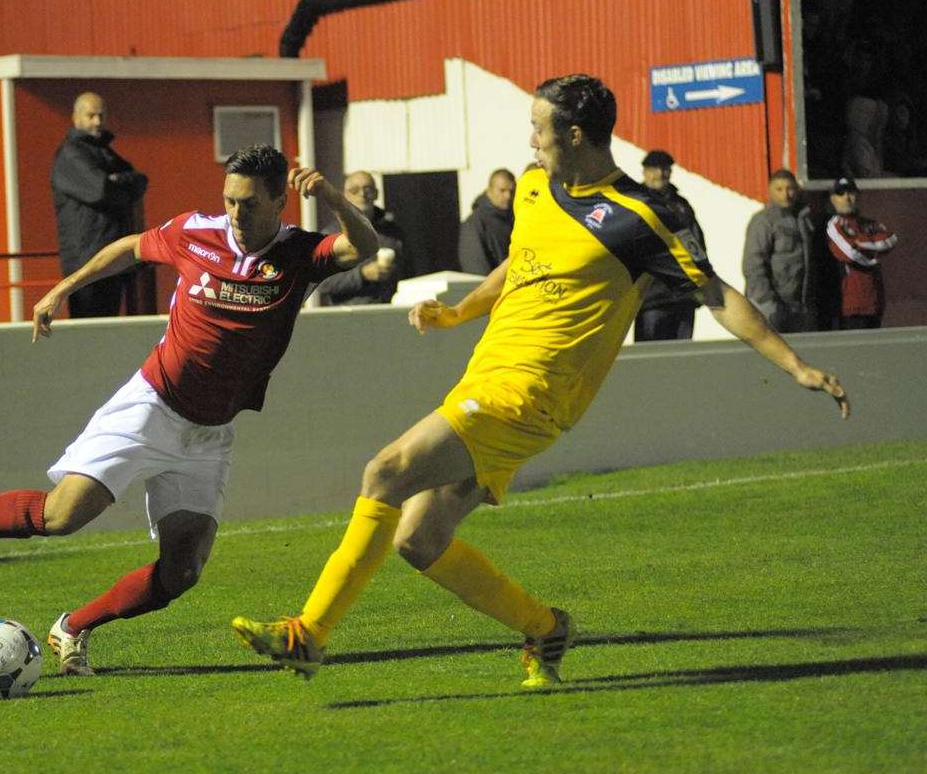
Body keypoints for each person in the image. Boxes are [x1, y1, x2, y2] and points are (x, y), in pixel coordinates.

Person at [232, 74, 849, 689]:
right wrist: (459, 312)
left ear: (575, 133)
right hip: (486, 380)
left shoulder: (645, 214)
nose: (530, 140)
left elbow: (716, 292)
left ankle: (308, 634)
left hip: (533, 397)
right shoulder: (534, 187)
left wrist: (794, 364)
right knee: (419, 540)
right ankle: (546, 627)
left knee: (385, 471)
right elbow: (518, 263)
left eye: (538, 127)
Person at [0, 144, 379, 677]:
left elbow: (364, 246)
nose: (236, 213)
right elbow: (129, 247)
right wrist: (63, 290)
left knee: (183, 570)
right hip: (151, 408)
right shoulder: (196, 232)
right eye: (230, 200)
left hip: (209, 434)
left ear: (280, 201)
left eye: (249, 204)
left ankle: (73, 627)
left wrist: (331, 193)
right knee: (59, 517)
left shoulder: (299, 254)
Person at [51, 92, 149, 318]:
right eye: (91, 115)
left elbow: (140, 180)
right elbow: (101, 191)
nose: (97, 121)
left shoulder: (102, 152)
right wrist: (121, 184)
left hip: (108, 258)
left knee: (108, 326)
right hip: (86, 262)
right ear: (76, 118)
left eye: (101, 115)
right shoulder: (71, 154)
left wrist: (119, 182)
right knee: (89, 330)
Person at [632, 150, 705, 341]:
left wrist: (702, 282)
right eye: (655, 169)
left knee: (682, 359)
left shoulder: (681, 205)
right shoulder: (635, 204)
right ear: (645, 172)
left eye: (665, 169)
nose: (660, 174)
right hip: (651, 298)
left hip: (683, 295)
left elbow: (696, 244)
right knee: (649, 359)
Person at [743, 169, 819, 333]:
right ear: (770, 190)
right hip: (773, 306)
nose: (785, 194)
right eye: (779, 189)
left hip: (801, 307)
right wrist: (766, 301)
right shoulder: (763, 221)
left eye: (789, 189)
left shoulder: (804, 219)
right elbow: (753, 264)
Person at [315, 171, 404, 305]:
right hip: (349, 317)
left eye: (368, 189)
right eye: (354, 190)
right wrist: (362, 275)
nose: (362, 194)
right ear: (345, 195)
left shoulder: (393, 233)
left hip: (388, 313)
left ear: (376, 194)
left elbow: (409, 274)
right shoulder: (330, 235)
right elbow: (321, 282)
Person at [824, 177, 898, 329]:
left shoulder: (868, 223)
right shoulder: (834, 225)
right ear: (833, 199)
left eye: (850, 192)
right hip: (849, 306)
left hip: (874, 302)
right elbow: (849, 252)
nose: (846, 197)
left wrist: (859, 241)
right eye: (840, 193)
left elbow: (891, 239)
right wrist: (872, 253)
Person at [457, 168, 515, 275]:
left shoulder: (514, 219)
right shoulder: (475, 223)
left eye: (511, 191)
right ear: (489, 190)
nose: (508, 196)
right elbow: (475, 268)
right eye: (502, 190)